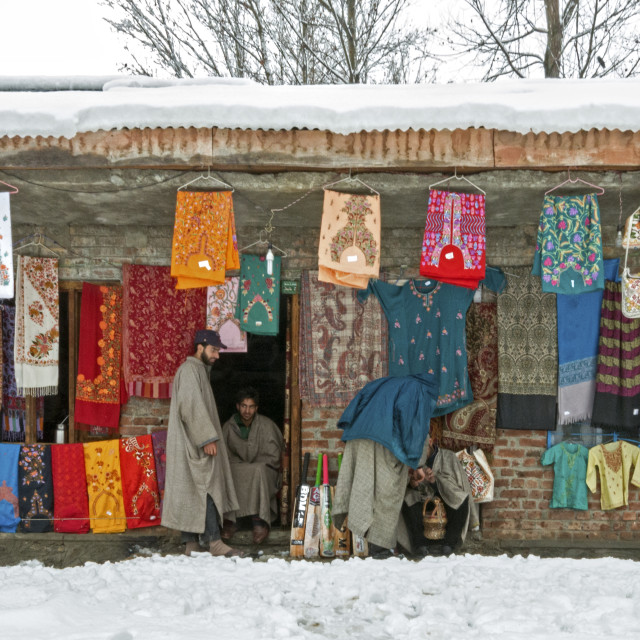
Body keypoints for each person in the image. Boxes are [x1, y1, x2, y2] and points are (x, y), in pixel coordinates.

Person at [161, 329, 245, 557]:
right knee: (205, 487)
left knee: (192, 489)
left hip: (191, 443)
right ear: (200, 347)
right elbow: (190, 407)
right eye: (214, 350)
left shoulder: (198, 370)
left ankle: (191, 544)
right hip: (194, 443)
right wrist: (206, 438)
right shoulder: (189, 370)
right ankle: (214, 542)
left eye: (218, 351)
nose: (217, 355)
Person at [220, 387, 284, 544]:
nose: (247, 411)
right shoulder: (229, 427)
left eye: (251, 406)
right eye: (243, 406)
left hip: (262, 469)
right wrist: (243, 464)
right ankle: (232, 521)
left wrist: (254, 463)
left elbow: (274, 457)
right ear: (237, 406)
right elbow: (224, 456)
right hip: (238, 467)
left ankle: (259, 522)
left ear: (256, 408)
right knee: (230, 472)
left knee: (258, 470)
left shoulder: (267, 425)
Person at [401, 436, 475, 557]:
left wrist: (435, 482)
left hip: (445, 498)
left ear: (430, 442)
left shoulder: (448, 457)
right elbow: (404, 482)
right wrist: (413, 484)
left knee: (460, 498)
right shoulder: (411, 459)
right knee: (407, 498)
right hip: (422, 499)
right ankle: (420, 545)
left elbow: (458, 485)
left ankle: (449, 544)